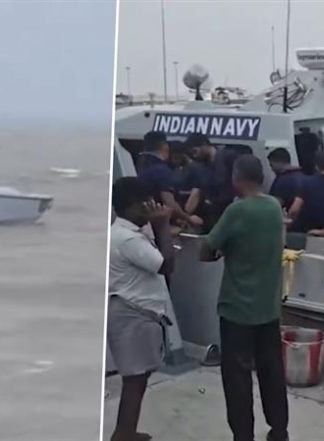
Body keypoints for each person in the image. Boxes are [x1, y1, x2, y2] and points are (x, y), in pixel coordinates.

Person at [199, 155, 289, 441]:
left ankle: (243, 436)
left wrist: (225, 251)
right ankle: (278, 430)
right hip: (268, 309)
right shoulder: (274, 207)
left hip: (237, 310)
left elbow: (206, 250)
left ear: (237, 178)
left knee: (237, 380)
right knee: (272, 373)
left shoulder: (236, 211)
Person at [107, 177, 176, 441]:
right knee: (134, 381)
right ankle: (122, 435)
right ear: (133, 206)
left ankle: (126, 431)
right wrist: (163, 224)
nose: (153, 206)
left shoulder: (132, 232)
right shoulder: (127, 239)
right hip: (132, 315)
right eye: (147, 202)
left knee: (139, 377)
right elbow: (166, 264)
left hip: (136, 314)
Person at [136, 131, 203, 228]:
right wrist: (189, 219)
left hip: (145, 223)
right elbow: (169, 202)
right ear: (165, 147)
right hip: (161, 224)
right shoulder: (162, 171)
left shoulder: (141, 167)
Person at [168, 142, 204, 218]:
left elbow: (196, 193)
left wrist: (186, 215)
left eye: (174, 157)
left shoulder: (196, 168)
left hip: (192, 213)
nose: (172, 160)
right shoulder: (176, 169)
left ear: (181, 154)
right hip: (179, 210)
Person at [267, 148, 304, 213]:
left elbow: (274, 207)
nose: (271, 169)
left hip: (295, 220)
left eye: (271, 165)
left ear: (279, 162)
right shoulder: (303, 175)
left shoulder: (281, 181)